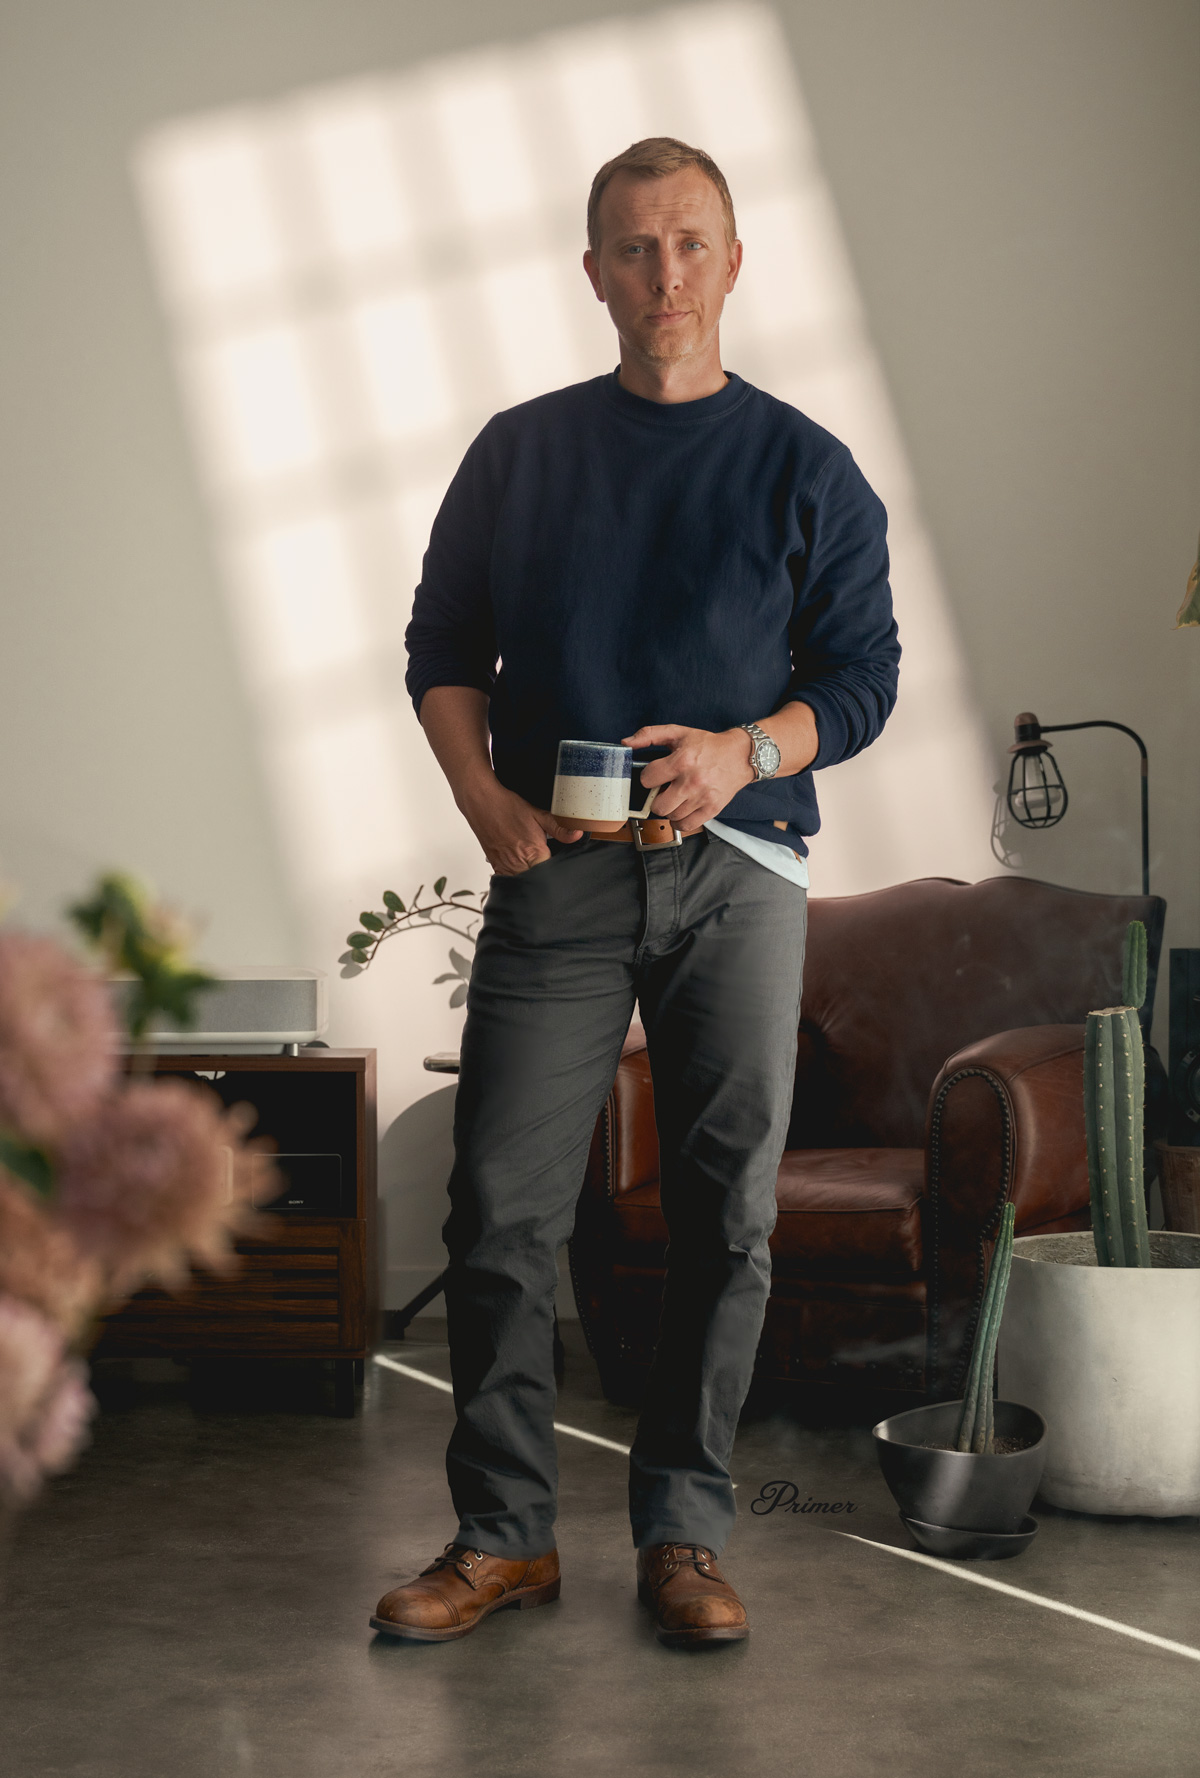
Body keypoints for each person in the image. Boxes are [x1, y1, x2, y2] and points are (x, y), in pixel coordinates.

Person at [371, 137, 900, 1649]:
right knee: (498, 1207)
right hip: (564, 872)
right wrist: (485, 800)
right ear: (592, 269)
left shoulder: (808, 467)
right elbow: (440, 652)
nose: (661, 273)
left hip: (743, 875)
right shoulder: (520, 454)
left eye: (688, 244)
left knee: (729, 1218)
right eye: (630, 246)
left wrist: (746, 750)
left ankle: (682, 1528)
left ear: (733, 263)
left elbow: (863, 681)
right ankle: (504, 1536)